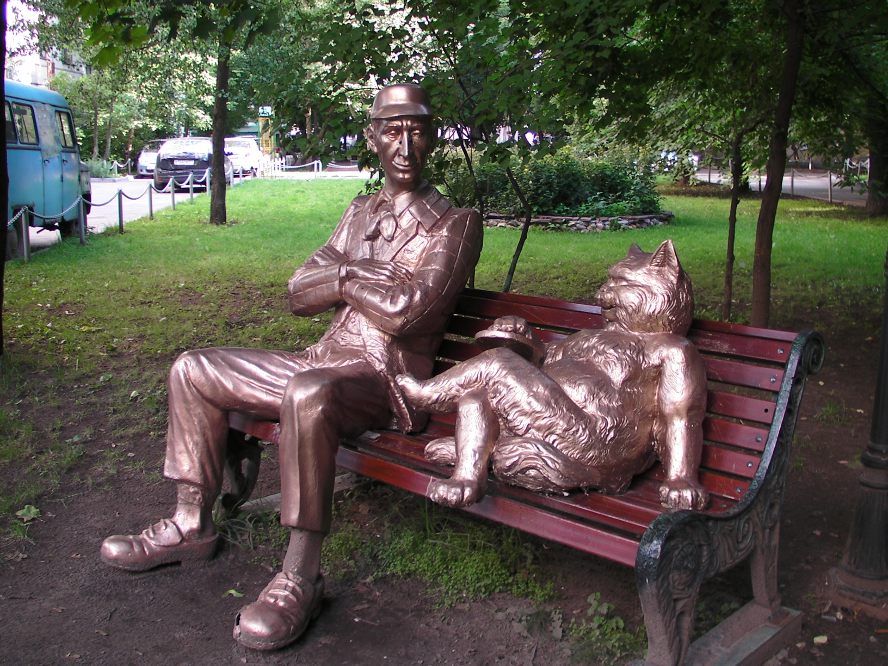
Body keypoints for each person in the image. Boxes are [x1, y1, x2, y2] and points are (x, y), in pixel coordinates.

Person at [99, 83, 483, 651]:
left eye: (418, 132)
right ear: (373, 138)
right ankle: (190, 522)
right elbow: (299, 291)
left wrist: (341, 280)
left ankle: (300, 574)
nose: (405, 147)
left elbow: (408, 312)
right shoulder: (360, 212)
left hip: (387, 382)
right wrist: (352, 274)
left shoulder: (455, 223)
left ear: (433, 139)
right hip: (322, 360)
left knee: (308, 392)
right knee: (193, 369)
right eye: (393, 132)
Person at [397, 241, 709, 513]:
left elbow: (681, 415)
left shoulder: (670, 349)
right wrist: (523, 337)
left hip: (597, 440)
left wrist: (681, 477)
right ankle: (468, 476)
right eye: (609, 283)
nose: (604, 294)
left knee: (497, 364)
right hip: (560, 426)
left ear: (660, 289)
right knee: (475, 396)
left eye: (620, 285)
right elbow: (541, 363)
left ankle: (427, 395)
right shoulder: (592, 336)